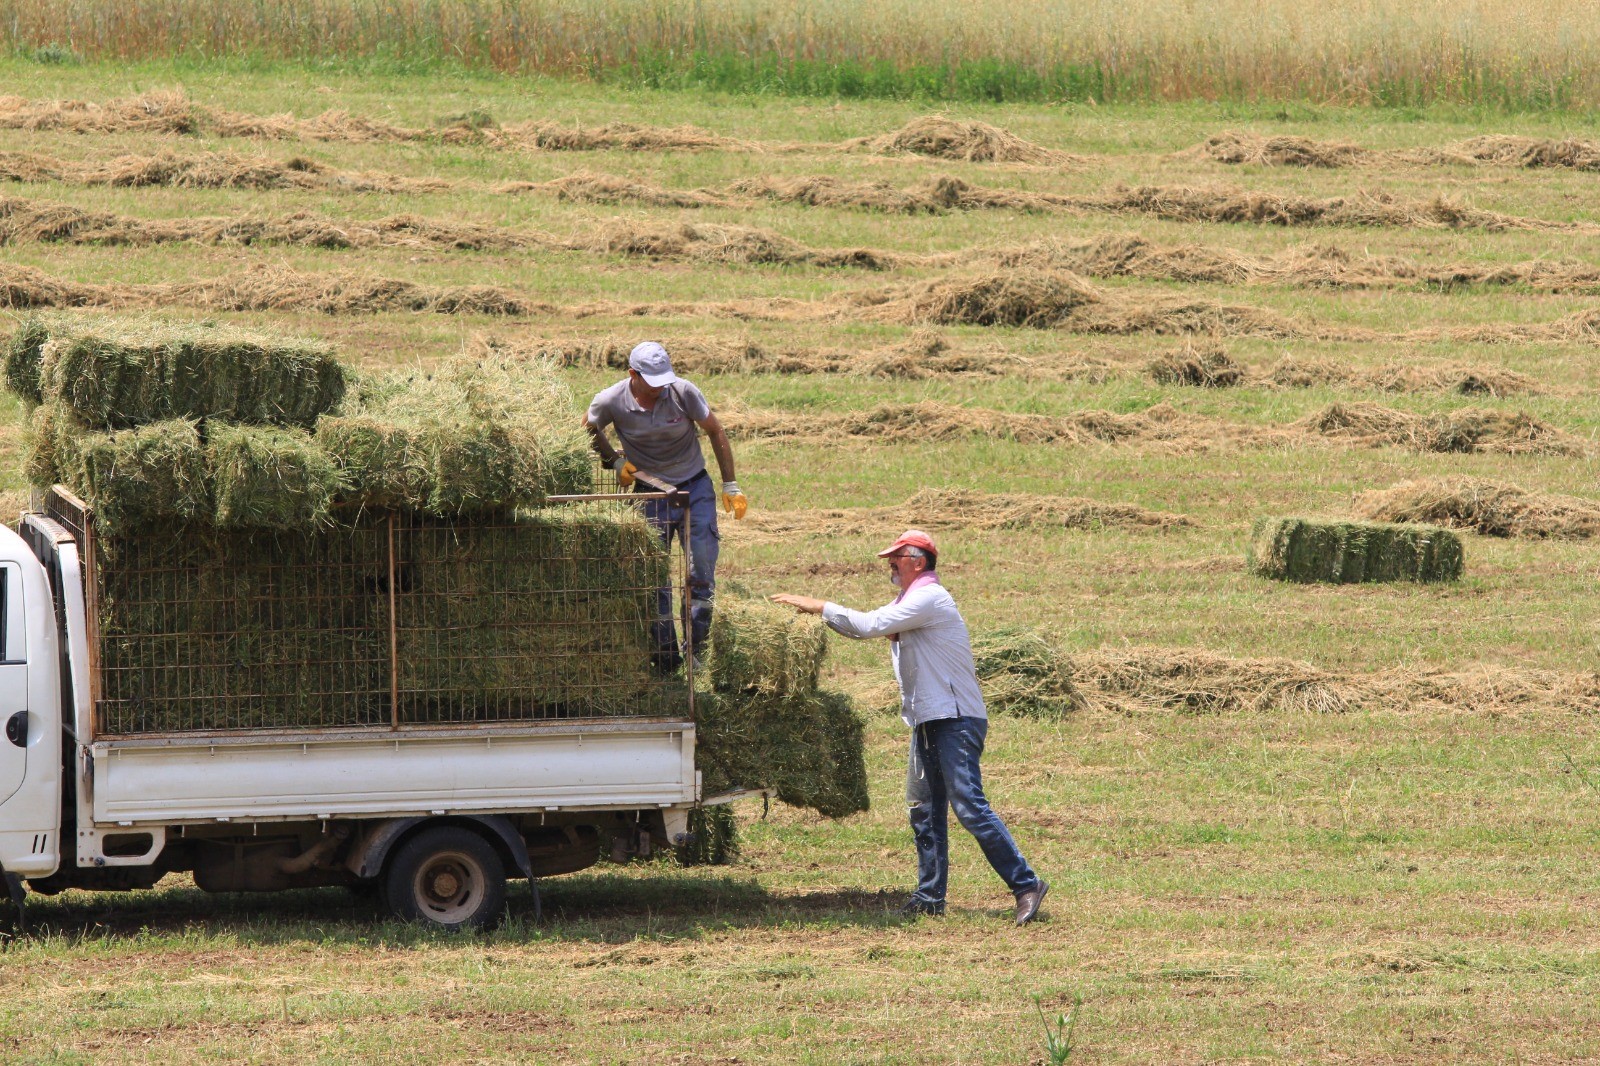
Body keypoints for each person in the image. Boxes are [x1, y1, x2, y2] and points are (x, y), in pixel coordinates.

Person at [771, 530, 1049, 925]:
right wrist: (824, 616)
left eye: (897, 557)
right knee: (925, 810)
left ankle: (1026, 884)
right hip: (928, 721)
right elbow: (863, 627)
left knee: (969, 806)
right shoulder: (910, 601)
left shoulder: (928, 598)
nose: (890, 564)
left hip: (955, 720)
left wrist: (818, 606)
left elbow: (868, 624)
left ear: (918, 561)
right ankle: (930, 896)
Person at [584, 341, 746, 672]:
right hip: (649, 494)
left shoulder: (682, 392)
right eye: (653, 382)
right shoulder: (611, 400)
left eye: (664, 380)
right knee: (654, 578)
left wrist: (730, 484)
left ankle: (698, 652)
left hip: (694, 489)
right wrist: (613, 461)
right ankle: (666, 659)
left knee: (699, 571)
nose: (661, 388)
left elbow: (715, 430)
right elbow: (588, 426)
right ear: (633, 375)